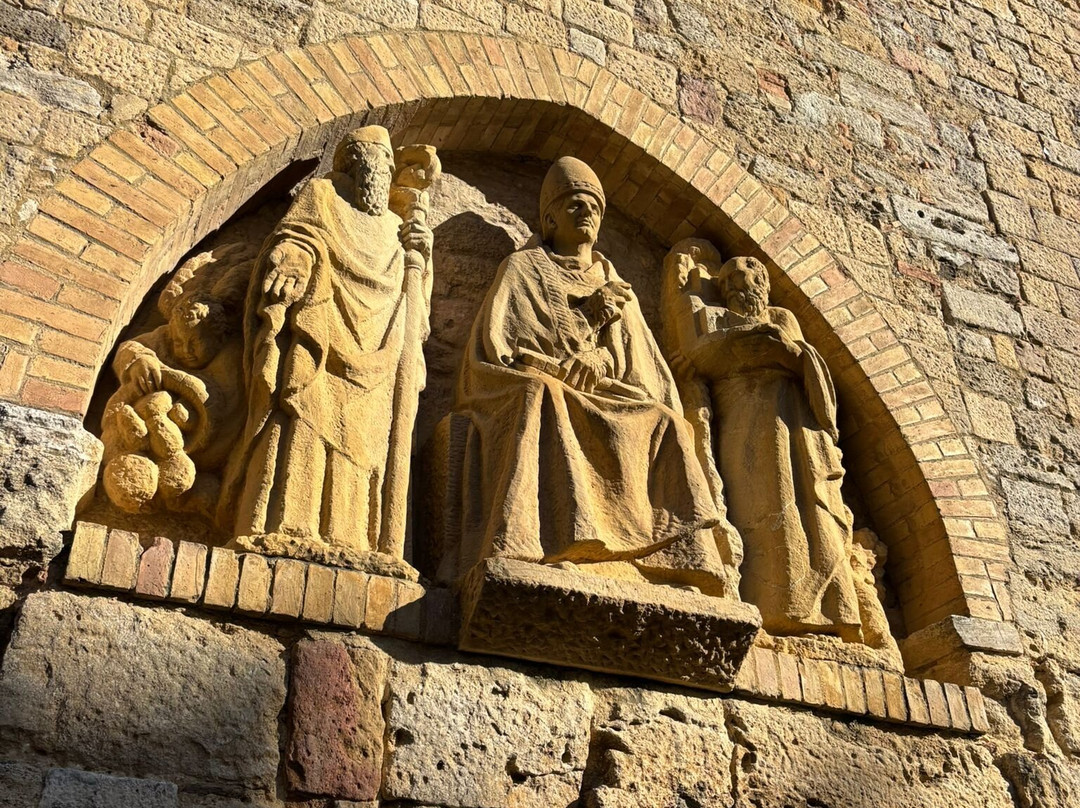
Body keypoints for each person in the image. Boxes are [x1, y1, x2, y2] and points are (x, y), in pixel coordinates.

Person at [447, 156, 737, 596]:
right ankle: (549, 543)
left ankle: (677, 561)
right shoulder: (523, 269)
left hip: (608, 391)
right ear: (549, 218)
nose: (586, 213)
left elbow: (639, 364)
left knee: (664, 420)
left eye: (594, 208)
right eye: (574, 205)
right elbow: (502, 347)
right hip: (546, 381)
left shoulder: (616, 284)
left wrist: (600, 362)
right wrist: (585, 328)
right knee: (540, 394)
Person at [217, 126, 432, 562]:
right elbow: (295, 237)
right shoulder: (323, 196)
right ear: (353, 161)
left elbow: (416, 309)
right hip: (321, 332)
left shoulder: (397, 227)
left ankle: (357, 542)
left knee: (368, 444)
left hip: (381, 350)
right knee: (303, 418)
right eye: (377, 160)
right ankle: (283, 524)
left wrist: (423, 258)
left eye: (388, 164)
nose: (384, 170)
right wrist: (294, 259)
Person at [703, 255, 862, 638]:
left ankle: (829, 611)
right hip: (743, 413)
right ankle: (774, 606)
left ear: (763, 283)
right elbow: (701, 358)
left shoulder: (781, 317)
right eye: (730, 279)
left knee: (811, 508)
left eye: (749, 273)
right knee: (761, 502)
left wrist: (788, 353)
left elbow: (806, 359)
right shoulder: (716, 319)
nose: (741, 280)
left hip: (792, 418)